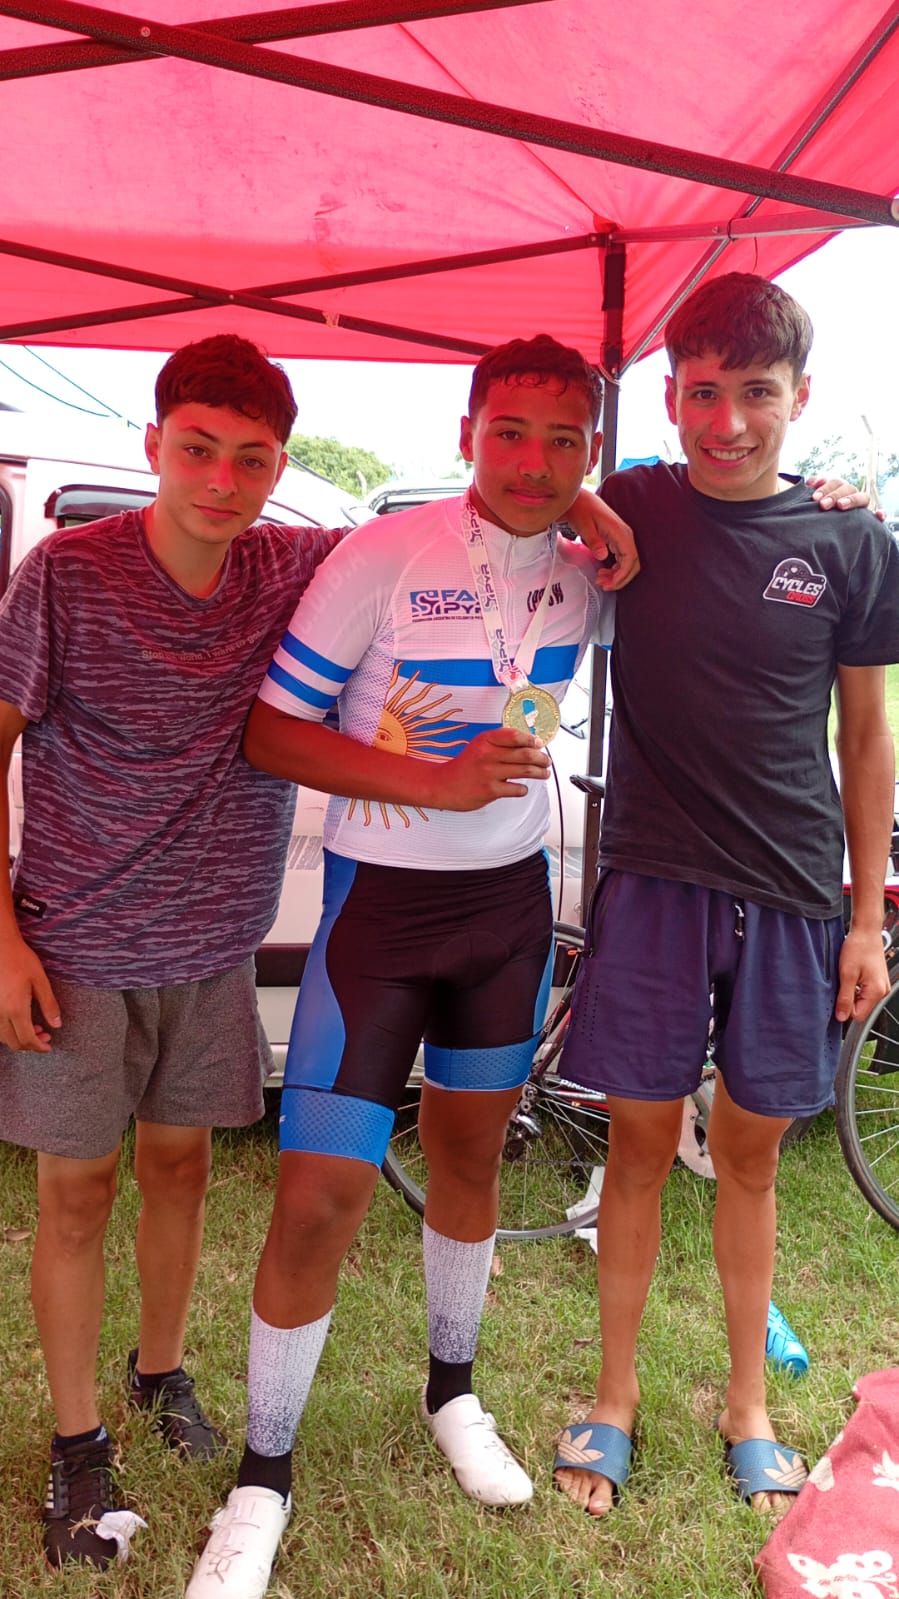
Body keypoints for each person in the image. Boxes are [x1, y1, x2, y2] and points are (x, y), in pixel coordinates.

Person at [183, 333, 639, 1598]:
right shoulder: (382, 555)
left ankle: (452, 1392)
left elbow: (692, 529)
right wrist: (430, 783)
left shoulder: (591, 573)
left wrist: (615, 513)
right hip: (378, 917)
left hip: (507, 911)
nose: (533, 462)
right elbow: (271, 733)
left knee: (470, 1161)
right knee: (317, 1198)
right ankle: (262, 1475)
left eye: (563, 439)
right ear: (464, 434)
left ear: (591, 449)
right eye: (509, 432)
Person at [0, 334, 353, 1571]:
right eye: (196, 448)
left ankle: (157, 1370)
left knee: (182, 1166)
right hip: (78, 943)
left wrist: (590, 505)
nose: (220, 478)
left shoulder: (289, 563)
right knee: (76, 1191)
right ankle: (76, 1439)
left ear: (277, 468)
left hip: (212, 945)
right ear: (154, 445)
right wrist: (2, 939)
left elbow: (453, 530)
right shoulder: (65, 575)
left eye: (250, 458)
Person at [551, 272, 899, 1521]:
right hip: (654, 882)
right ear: (668, 396)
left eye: (756, 392)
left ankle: (746, 1404)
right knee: (640, 1148)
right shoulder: (636, 502)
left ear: (799, 395)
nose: (728, 422)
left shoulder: (849, 542)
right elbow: (519, 476)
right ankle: (613, 1396)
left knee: (746, 1158)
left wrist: (865, 921)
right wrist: (582, 495)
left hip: (793, 894)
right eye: (702, 393)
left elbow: (865, 738)